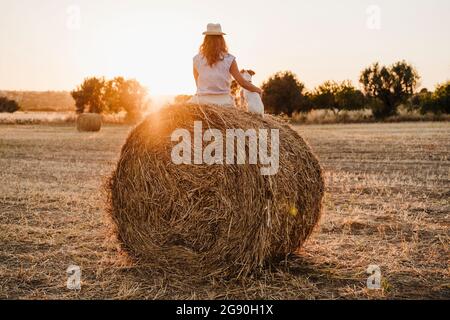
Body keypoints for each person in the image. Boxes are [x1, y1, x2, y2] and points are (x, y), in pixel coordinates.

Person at [189, 23, 263, 107]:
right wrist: (258, 90)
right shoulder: (229, 59)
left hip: (202, 101)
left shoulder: (196, 59)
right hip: (223, 102)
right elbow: (242, 83)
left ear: (205, 40)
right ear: (221, 40)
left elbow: (198, 83)